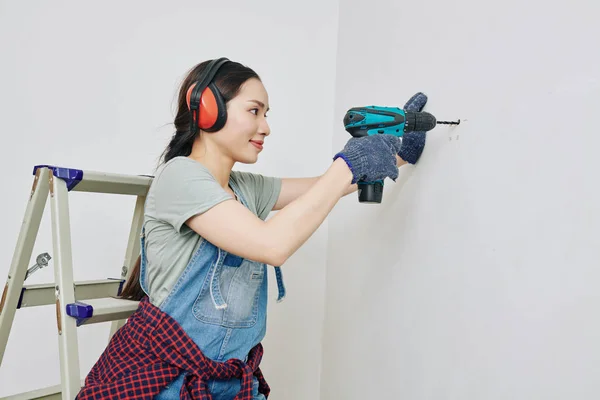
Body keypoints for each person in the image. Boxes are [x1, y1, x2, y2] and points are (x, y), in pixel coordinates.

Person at [75, 57, 429, 400]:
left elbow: (325, 187)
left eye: (267, 114)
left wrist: (396, 153)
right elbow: (272, 245)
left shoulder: (246, 189)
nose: (266, 127)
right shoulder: (180, 177)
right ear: (209, 107)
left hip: (226, 383)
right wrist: (349, 162)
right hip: (161, 384)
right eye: (254, 111)